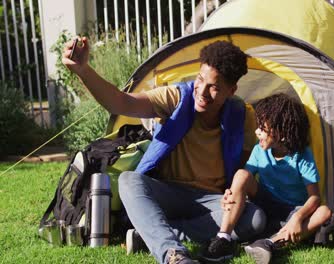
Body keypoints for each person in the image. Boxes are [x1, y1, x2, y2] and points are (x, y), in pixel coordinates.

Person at [62, 38, 266, 264]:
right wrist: (83, 70)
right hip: (169, 194)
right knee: (130, 181)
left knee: (255, 218)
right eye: (200, 80)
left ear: (231, 90)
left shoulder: (242, 115)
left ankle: (150, 233)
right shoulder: (177, 98)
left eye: (214, 87)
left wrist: (234, 193)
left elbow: (244, 168)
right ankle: (174, 254)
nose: (202, 92)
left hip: (212, 201)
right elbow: (121, 103)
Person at [201, 93, 331, 263]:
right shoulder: (259, 150)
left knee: (324, 212)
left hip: (292, 210)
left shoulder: (302, 156)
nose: (257, 132)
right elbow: (244, 179)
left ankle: (270, 243)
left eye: (262, 129)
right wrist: (230, 194)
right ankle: (223, 237)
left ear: (282, 133)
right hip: (265, 202)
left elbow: (315, 197)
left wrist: (297, 218)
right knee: (241, 174)